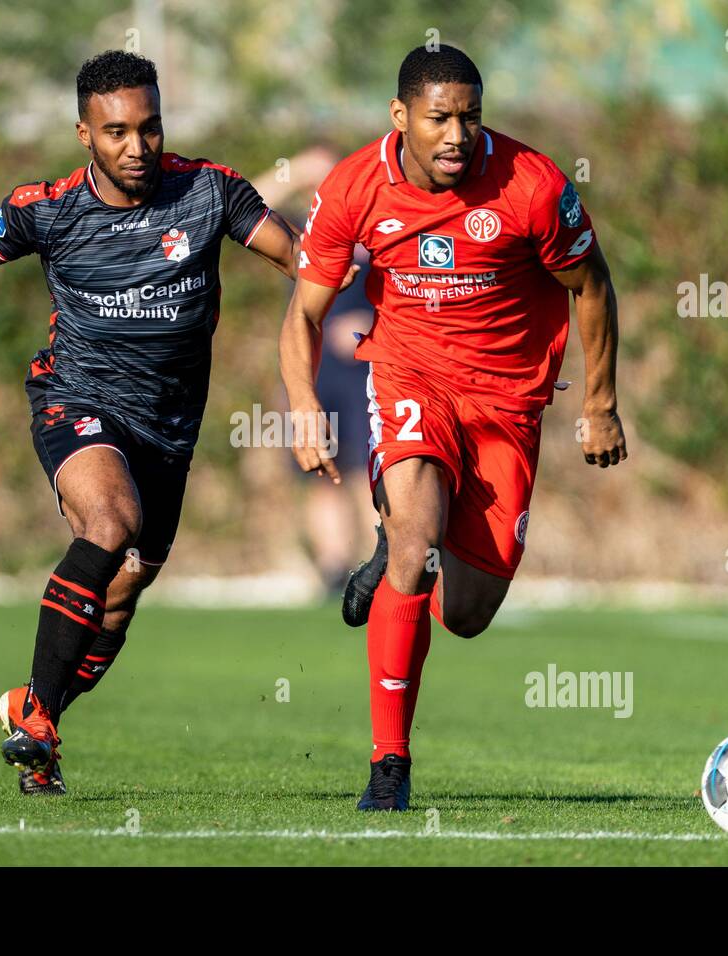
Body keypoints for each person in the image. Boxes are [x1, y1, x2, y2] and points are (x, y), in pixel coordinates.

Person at [0, 50, 350, 796]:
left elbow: (305, 266)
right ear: (85, 133)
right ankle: (40, 721)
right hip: (74, 399)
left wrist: (387, 306)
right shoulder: (49, 207)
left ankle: (35, 714)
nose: (137, 147)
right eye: (117, 132)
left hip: (169, 432)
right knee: (108, 524)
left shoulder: (210, 193)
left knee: (117, 603)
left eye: (150, 128)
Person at [279, 44, 627, 810]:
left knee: (466, 614)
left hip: (508, 403)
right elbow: (303, 313)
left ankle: (400, 551)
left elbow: (592, 287)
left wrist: (600, 406)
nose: (457, 134)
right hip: (410, 378)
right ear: (400, 116)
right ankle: (389, 765)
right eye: (440, 117)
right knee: (416, 540)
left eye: (470, 116)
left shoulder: (532, 186)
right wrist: (305, 407)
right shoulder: (353, 188)